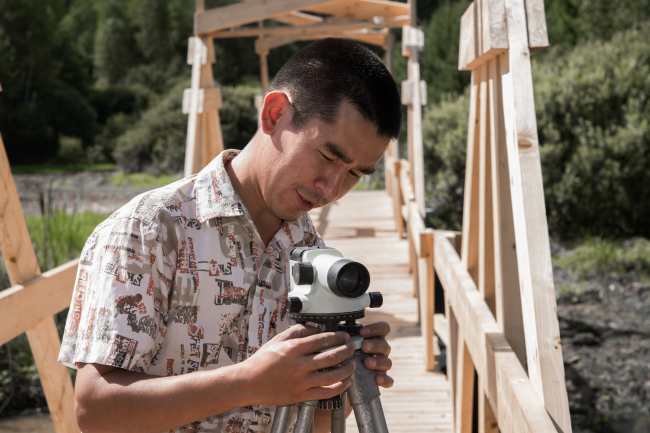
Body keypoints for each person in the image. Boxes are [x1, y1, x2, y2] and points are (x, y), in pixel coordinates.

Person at [58, 38, 402, 433]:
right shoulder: (149, 228)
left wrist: (341, 378)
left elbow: (319, 425)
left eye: (355, 174)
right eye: (327, 156)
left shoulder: (315, 258)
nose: (331, 188)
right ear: (274, 114)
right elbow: (95, 412)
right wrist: (248, 383)